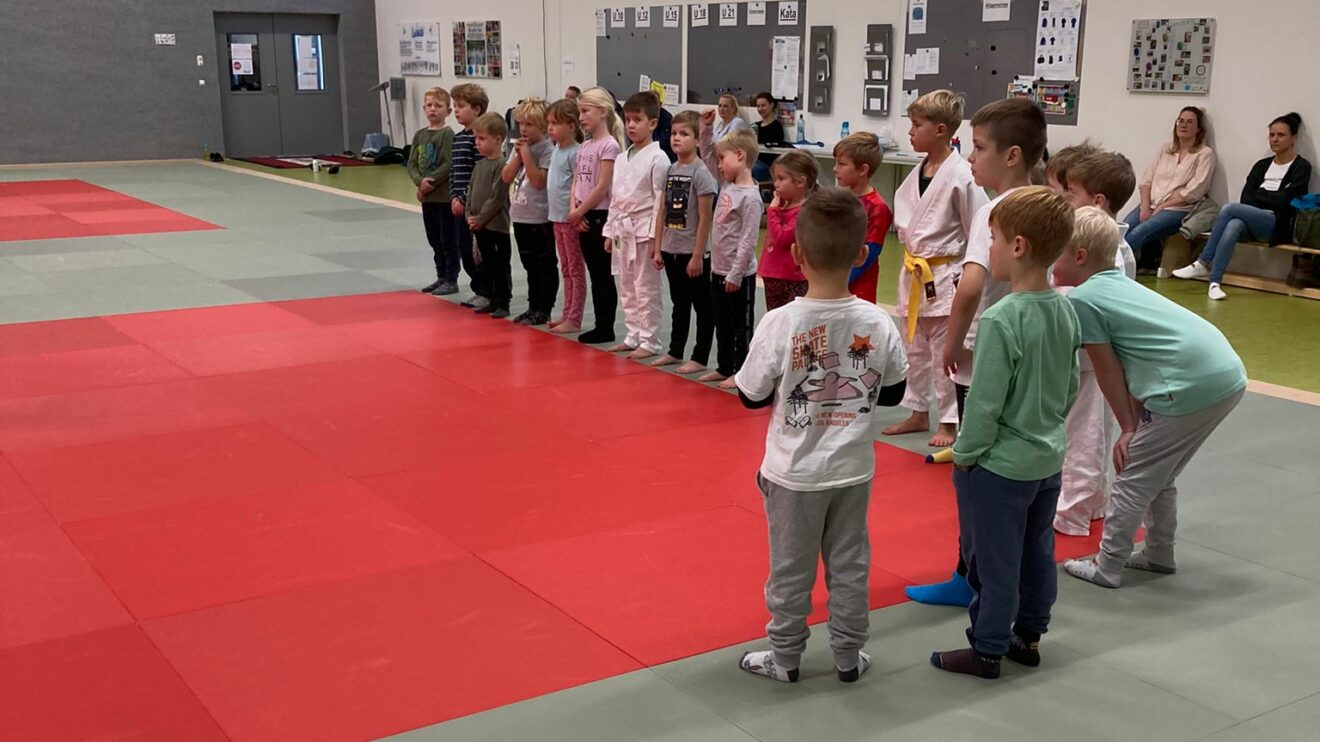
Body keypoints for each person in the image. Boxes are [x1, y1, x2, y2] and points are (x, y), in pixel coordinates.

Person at [734, 187, 909, 685]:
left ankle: (785, 658)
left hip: (793, 474)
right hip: (852, 470)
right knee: (850, 564)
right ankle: (848, 657)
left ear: (796, 254)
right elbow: (894, 394)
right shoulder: (878, 321)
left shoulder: (779, 323)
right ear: (860, 254)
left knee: (790, 569)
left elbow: (749, 395)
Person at [930, 186, 1080, 679]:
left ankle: (987, 647)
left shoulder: (1000, 319)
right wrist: (1046, 426)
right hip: (1047, 458)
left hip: (999, 467)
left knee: (992, 561)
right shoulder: (1065, 310)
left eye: (991, 239)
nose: (987, 249)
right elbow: (1071, 385)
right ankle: (1029, 634)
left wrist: (966, 455)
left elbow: (985, 404)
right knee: (1037, 552)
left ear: (1017, 247)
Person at [1054, 206, 1246, 589]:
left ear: (1079, 257)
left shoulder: (1084, 299)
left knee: (1132, 474)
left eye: (1054, 250)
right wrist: (1134, 422)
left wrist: (1128, 427)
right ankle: (1159, 553)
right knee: (1160, 473)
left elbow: (1109, 370)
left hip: (1188, 383)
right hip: (1223, 373)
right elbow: (1136, 361)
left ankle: (1108, 565)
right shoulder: (1116, 283)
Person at [907, 97, 1047, 608]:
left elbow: (969, 286)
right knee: (1026, 472)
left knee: (974, 468)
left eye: (980, 148)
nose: (970, 159)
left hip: (986, 351)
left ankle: (971, 574)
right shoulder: (1051, 203)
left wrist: (950, 340)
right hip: (1034, 354)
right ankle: (1022, 576)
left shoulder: (996, 209)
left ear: (1012, 155)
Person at [882, 90, 987, 449]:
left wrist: (968, 273)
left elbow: (979, 228)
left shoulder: (962, 176)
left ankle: (948, 421)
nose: (910, 132)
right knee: (914, 348)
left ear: (941, 130)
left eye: (917, 125)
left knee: (946, 352)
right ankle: (916, 412)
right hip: (914, 272)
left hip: (946, 275)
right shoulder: (917, 173)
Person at [1050, 152, 1140, 536]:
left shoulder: (1111, 253)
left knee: (1083, 437)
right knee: (1090, 434)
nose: (1066, 203)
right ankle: (1095, 503)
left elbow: (1093, 305)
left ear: (1097, 201)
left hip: (1093, 357)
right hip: (1093, 356)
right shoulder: (1111, 245)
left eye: (1071, 194)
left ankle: (1071, 513)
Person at [1173, 112, 1313, 300]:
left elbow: (1286, 202)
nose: (1275, 140)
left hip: (1277, 224)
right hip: (1251, 220)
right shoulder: (1262, 165)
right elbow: (1247, 198)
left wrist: (1262, 195)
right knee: (1234, 224)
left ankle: (1203, 262)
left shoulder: (1301, 167)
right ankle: (1215, 282)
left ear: (1293, 138)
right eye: (1271, 135)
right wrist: (1269, 197)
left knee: (1230, 209)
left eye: (1281, 135)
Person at [603, 92, 671, 359]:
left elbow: (660, 202)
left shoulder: (659, 158)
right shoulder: (622, 158)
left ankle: (650, 340)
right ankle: (632, 334)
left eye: (637, 120)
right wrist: (609, 230)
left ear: (653, 123)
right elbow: (616, 199)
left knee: (646, 287)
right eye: (627, 119)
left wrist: (657, 241)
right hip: (622, 228)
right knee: (627, 285)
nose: (631, 125)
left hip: (644, 229)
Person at [651, 110, 718, 374]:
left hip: (692, 251)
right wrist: (658, 247)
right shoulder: (670, 169)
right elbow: (662, 211)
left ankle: (700, 356)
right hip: (671, 248)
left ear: (697, 139)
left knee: (702, 306)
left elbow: (705, 218)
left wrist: (697, 254)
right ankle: (675, 350)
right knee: (679, 303)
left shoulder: (701, 174)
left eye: (684, 134)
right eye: (674, 134)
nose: (677, 139)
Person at [700, 129, 761, 389]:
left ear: (740, 155)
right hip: (718, 268)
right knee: (721, 322)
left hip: (739, 274)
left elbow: (748, 240)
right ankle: (724, 365)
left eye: (723, 158)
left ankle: (742, 371)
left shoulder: (750, 198)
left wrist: (736, 274)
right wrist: (704, 131)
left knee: (740, 327)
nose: (719, 164)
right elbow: (705, 158)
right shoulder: (727, 184)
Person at [567, 87, 626, 344]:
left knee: (603, 274)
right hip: (583, 215)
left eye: (585, 111)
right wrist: (574, 210)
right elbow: (577, 181)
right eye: (580, 111)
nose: (581, 117)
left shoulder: (609, 145)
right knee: (593, 271)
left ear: (602, 112)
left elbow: (603, 185)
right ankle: (601, 323)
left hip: (599, 215)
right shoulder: (585, 145)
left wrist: (580, 210)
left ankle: (606, 325)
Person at [1123, 107, 1217, 260]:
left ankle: (1112, 269)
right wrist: (1145, 207)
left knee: (1139, 233)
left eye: (1190, 122)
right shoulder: (1166, 149)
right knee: (1123, 229)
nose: (1183, 125)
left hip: (1178, 209)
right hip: (1151, 204)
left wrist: (1163, 206)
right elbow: (1146, 180)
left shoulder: (1205, 154)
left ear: (1199, 128)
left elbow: (1195, 191)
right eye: (1180, 121)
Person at [501, 97, 558, 326]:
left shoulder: (547, 149)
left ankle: (544, 307)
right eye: (521, 123)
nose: (524, 129)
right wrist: (518, 156)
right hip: (521, 215)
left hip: (540, 216)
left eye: (530, 124)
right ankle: (532, 305)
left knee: (543, 264)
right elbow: (506, 177)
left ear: (543, 126)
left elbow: (537, 182)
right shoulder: (519, 148)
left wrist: (526, 156)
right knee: (528, 265)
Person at [832, 132, 893, 304]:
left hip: (858, 291)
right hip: (832, 282)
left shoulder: (877, 208)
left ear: (863, 170)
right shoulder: (840, 199)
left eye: (842, 164)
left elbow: (869, 253)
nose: (835, 169)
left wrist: (838, 282)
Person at [408, 87, 456, 296]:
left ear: (448, 110)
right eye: (429, 105)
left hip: (443, 197)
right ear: (423, 109)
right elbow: (411, 164)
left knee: (448, 239)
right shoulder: (420, 135)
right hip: (427, 197)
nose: (433, 110)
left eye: (438, 106)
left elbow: (448, 163)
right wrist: (420, 183)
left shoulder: (447, 134)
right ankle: (440, 276)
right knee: (434, 238)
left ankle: (451, 278)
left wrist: (432, 182)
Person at [449, 83, 492, 309]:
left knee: (478, 252)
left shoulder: (478, 140)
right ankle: (478, 287)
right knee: (464, 249)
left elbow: (478, 174)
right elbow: (454, 172)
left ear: (477, 109)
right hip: (459, 204)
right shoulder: (457, 139)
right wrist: (454, 196)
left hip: (474, 206)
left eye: (461, 106)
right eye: (454, 106)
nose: (456, 110)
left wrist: (465, 199)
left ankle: (486, 290)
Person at [465, 113, 512, 319]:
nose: (477, 143)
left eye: (481, 139)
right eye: (476, 138)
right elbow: (470, 191)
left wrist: (481, 217)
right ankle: (492, 298)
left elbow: (497, 196)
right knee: (487, 264)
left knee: (500, 265)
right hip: (479, 225)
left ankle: (503, 301)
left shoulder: (501, 165)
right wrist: (469, 215)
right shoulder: (479, 165)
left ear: (498, 139)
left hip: (496, 226)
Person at [545, 99, 586, 335]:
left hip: (568, 218)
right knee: (565, 268)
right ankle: (566, 311)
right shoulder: (557, 149)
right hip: (556, 217)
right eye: (549, 123)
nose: (550, 128)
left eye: (555, 123)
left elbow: (578, 186)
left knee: (575, 268)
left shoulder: (576, 153)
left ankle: (575, 317)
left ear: (571, 126)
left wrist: (577, 212)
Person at [759, 150, 818, 311]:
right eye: (775, 178)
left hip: (791, 277)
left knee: (791, 321)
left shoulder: (804, 211)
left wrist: (772, 211)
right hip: (772, 274)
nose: (776, 184)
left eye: (781, 179)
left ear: (800, 182)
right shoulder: (783, 206)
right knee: (775, 318)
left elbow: (782, 239)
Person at [698, 94, 751, 182]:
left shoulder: (737, 122)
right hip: (716, 163)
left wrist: (714, 147)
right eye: (720, 106)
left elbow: (728, 145)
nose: (722, 109)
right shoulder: (719, 125)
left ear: (733, 108)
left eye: (725, 106)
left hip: (730, 165)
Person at [751, 92, 787, 182]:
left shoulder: (776, 126)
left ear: (771, 105)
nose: (760, 109)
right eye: (758, 106)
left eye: (763, 105)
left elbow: (774, 150)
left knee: (752, 169)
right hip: (753, 161)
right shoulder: (755, 126)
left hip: (766, 165)